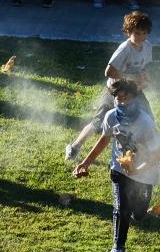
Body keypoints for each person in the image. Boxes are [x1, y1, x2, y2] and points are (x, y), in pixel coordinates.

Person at [73, 78, 160, 252]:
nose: (122, 102)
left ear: (135, 98)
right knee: (121, 209)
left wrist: (138, 168)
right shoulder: (111, 116)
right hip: (119, 170)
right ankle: (118, 247)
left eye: (126, 98)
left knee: (138, 213)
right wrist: (85, 163)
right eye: (118, 98)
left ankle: (135, 213)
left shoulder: (146, 123)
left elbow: (156, 154)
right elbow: (104, 140)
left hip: (145, 173)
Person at [65, 10, 153, 162]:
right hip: (116, 90)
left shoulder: (147, 46)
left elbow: (143, 66)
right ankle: (74, 147)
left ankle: (147, 158)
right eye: (137, 33)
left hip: (134, 90)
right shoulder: (125, 49)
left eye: (144, 33)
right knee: (99, 122)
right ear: (128, 32)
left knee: (147, 120)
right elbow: (109, 71)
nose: (141, 37)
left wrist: (144, 76)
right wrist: (131, 77)